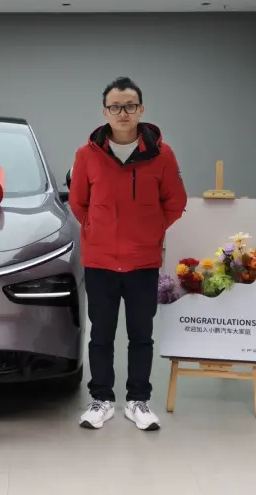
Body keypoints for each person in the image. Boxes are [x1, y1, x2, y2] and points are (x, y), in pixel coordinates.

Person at [68, 76, 186, 431]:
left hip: (142, 261)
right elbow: (78, 202)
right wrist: (95, 227)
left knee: (141, 335)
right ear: (105, 111)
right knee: (101, 335)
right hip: (101, 261)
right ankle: (101, 399)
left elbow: (175, 201)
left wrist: (151, 230)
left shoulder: (162, 155)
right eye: (116, 107)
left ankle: (138, 401)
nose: (123, 113)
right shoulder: (86, 155)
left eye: (130, 106)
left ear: (141, 110)